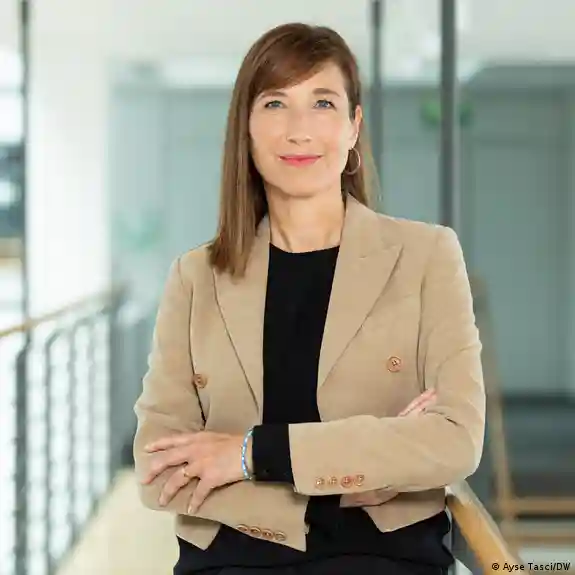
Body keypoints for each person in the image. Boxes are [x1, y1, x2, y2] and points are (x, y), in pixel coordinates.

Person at [133, 22, 485, 575]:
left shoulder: (427, 257)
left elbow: (456, 441)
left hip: (382, 560)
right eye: (275, 103)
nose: (299, 130)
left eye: (323, 103)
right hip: (231, 563)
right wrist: (366, 467)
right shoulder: (195, 278)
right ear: (246, 128)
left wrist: (247, 456)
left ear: (353, 127)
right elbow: (157, 469)